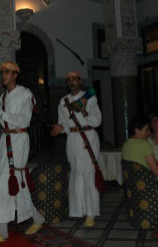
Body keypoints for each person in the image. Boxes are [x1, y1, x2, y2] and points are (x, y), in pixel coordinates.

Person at [0, 61, 45, 245]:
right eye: (2, 72)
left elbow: (24, 120)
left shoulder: (25, 94)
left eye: (7, 72)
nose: (3, 75)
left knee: (5, 182)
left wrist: (1, 115)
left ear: (15, 75)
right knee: (17, 183)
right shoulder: (3, 97)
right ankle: (37, 218)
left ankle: (2, 230)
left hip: (19, 139)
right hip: (6, 141)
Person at [51, 71, 101, 227]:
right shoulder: (63, 101)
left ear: (80, 81)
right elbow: (64, 123)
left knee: (88, 174)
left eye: (74, 79)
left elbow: (97, 120)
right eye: (68, 80)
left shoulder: (90, 97)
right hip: (72, 139)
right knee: (76, 173)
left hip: (88, 138)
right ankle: (78, 210)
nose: (71, 82)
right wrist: (60, 128)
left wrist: (84, 111)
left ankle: (91, 213)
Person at [122, 117, 158, 191]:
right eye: (146, 130)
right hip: (150, 183)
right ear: (136, 130)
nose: (149, 133)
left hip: (134, 184)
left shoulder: (126, 144)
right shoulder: (144, 144)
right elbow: (157, 173)